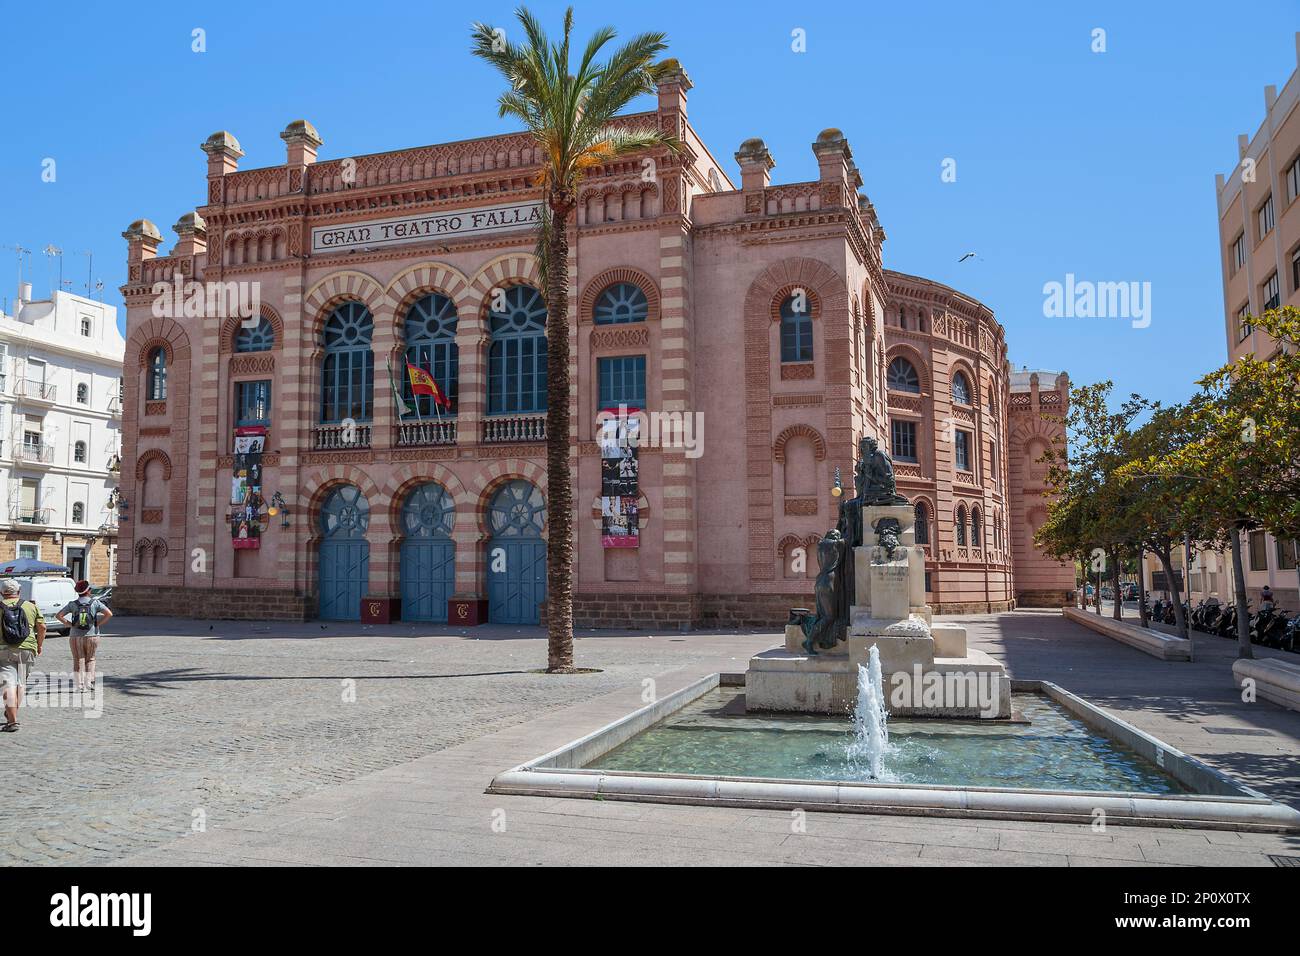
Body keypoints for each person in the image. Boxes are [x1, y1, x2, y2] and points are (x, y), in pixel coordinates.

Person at [0, 579, 45, 733]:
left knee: (7, 683)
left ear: (2, 593)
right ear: (19, 592)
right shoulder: (30, 606)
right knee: (21, 683)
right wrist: (39, 645)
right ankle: (12, 714)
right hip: (27, 648)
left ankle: (12, 721)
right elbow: (42, 627)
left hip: (3, 649)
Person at [55, 580, 111, 692]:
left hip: (75, 635)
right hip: (92, 635)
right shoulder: (95, 603)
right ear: (88, 591)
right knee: (90, 659)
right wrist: (98, 624)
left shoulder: (72, 604)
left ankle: (79, 685)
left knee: (78, 659)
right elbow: (109, 614)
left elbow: (59, 615)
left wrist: (70, 624)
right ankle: (89, 683)